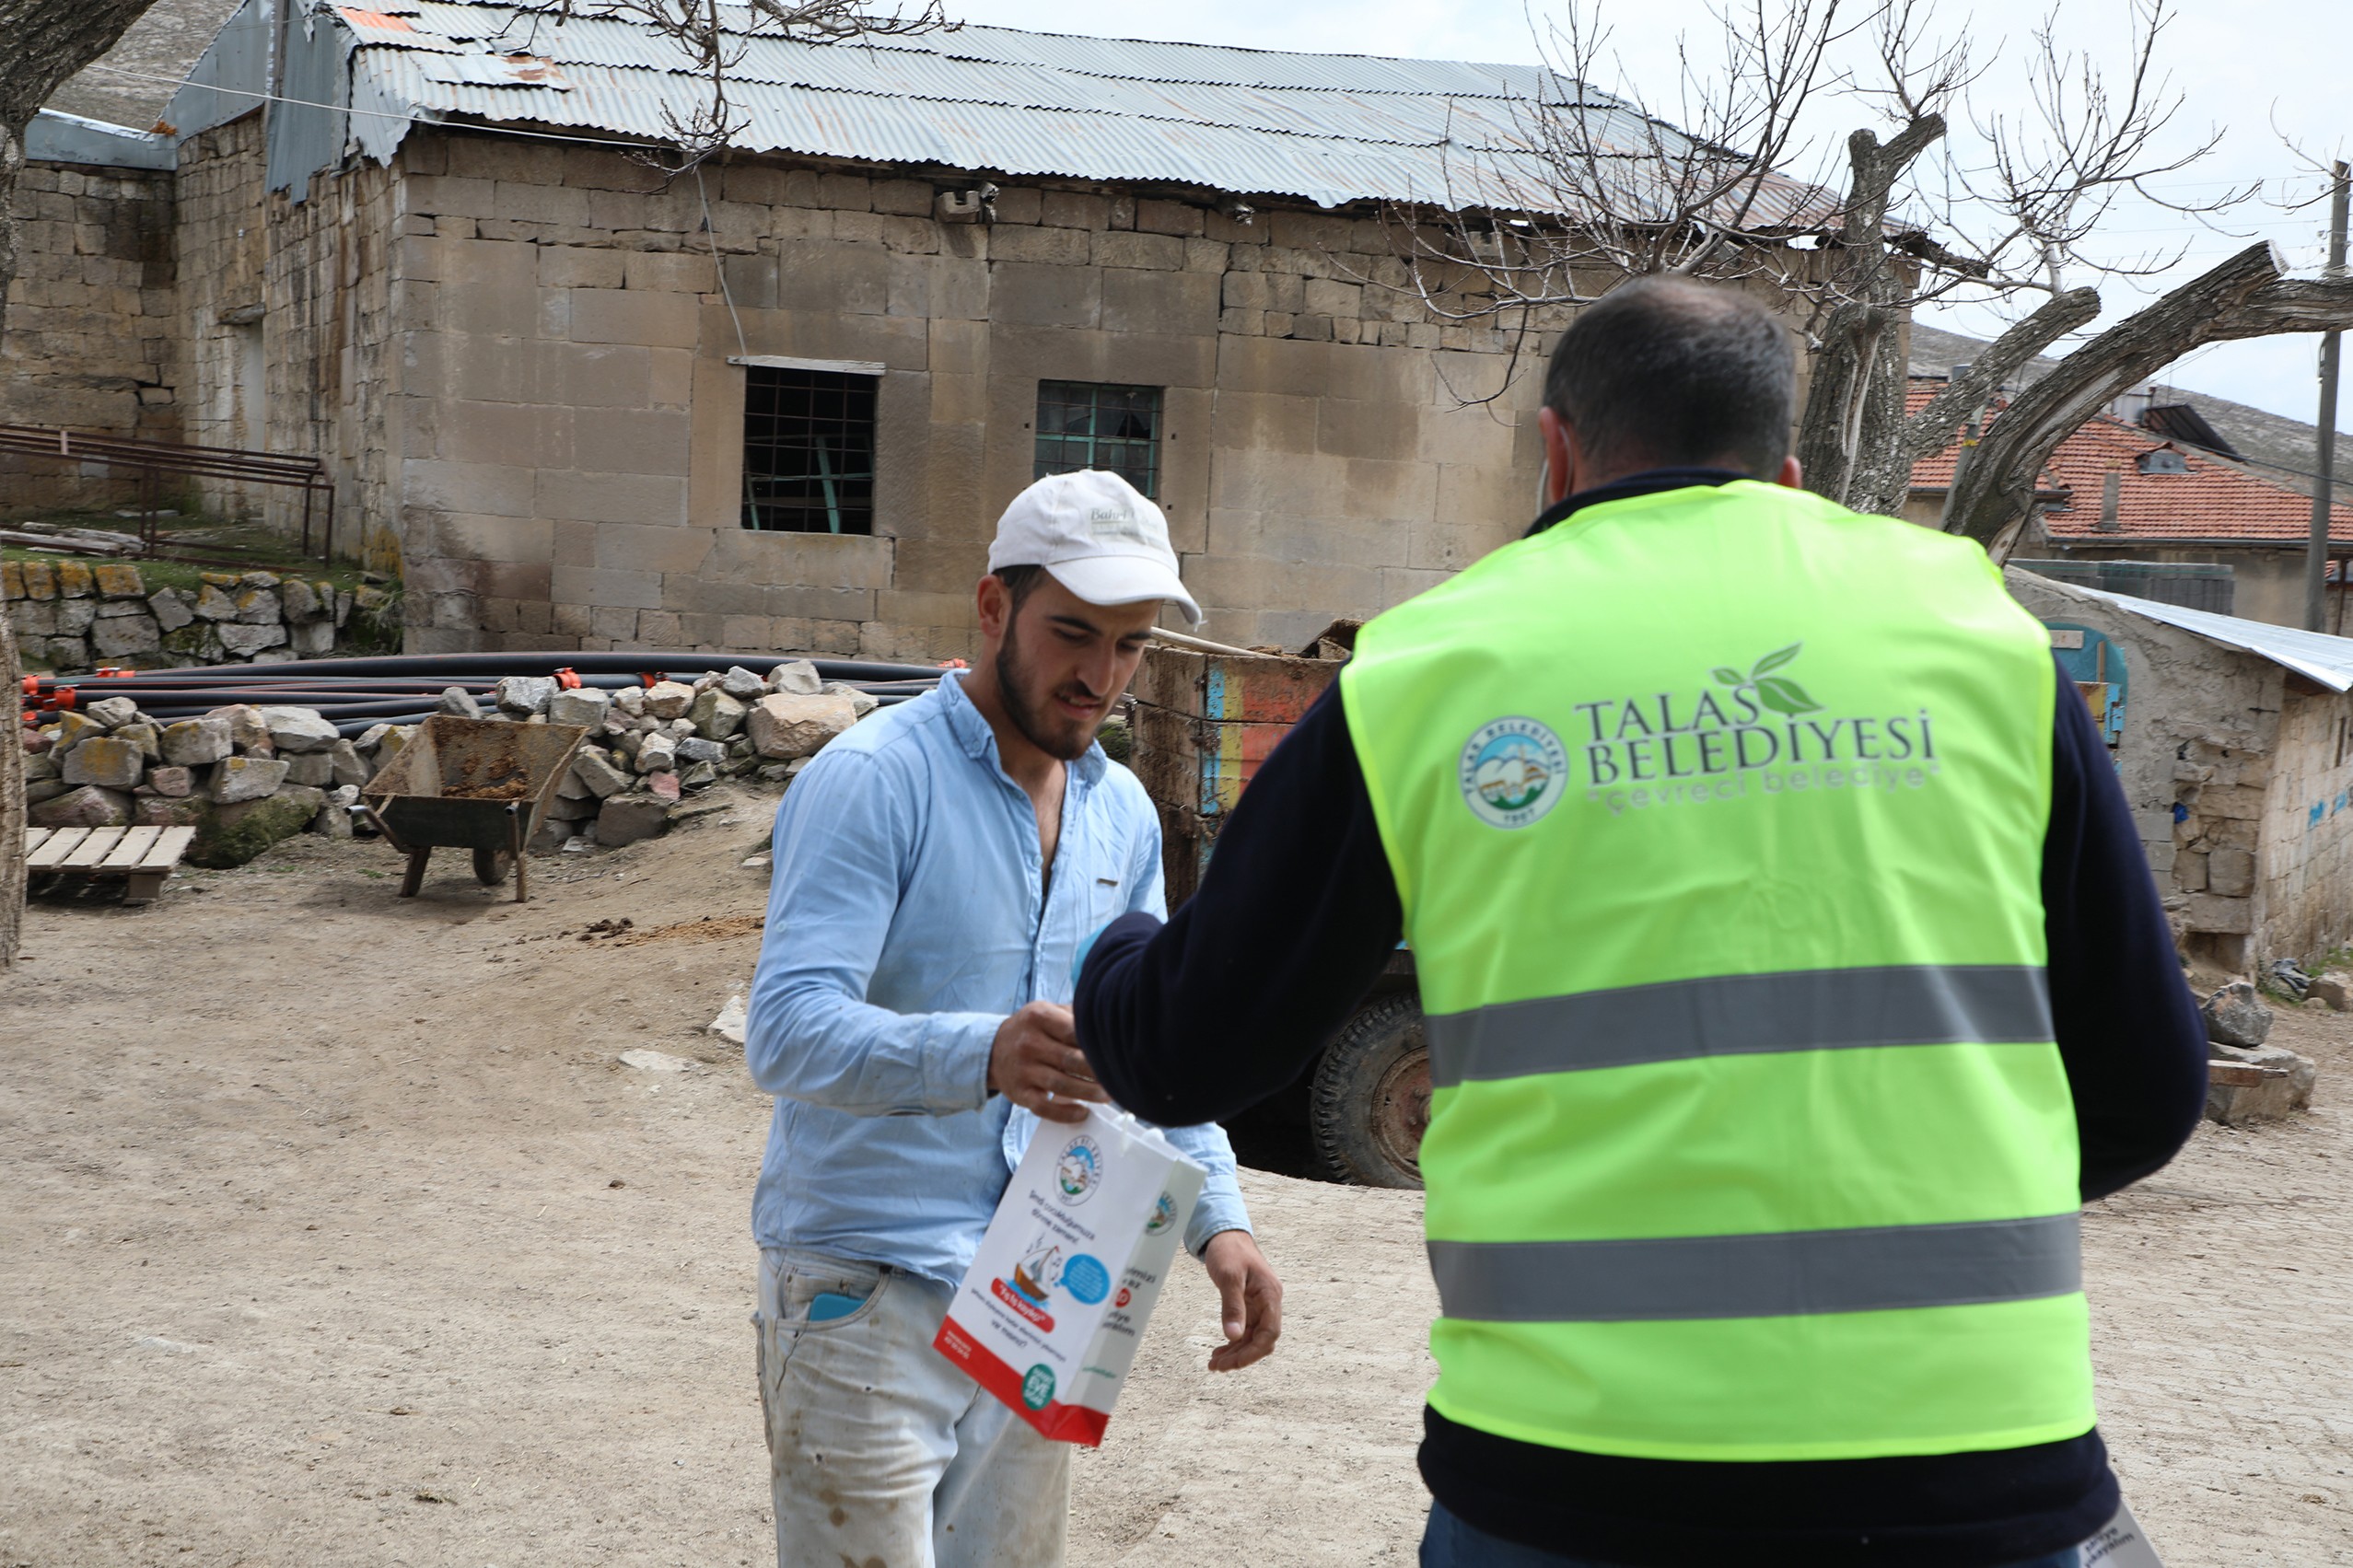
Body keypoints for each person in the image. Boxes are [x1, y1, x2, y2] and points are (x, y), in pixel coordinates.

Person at [1074, 276, 2208, 1568]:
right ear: (1784, 470)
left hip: (1573, 1474)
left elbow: (1191, 1052)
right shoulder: (1978, 634)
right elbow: (2144, 1090)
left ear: (1554, 451)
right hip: (1976, 1465)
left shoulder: (1433, 663)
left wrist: (1113, 942)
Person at [742, 469, 1283, 1567]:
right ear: (993, 609)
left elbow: (1147, 1043)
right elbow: (786, 1029)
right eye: (1071, 633)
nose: (1098, 677)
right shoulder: (871, 780)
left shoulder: (1120, 809)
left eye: (1129, 647)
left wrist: (1217, 1220)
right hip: (862, 1286)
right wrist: (980, 1051)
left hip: (1034, 1287)